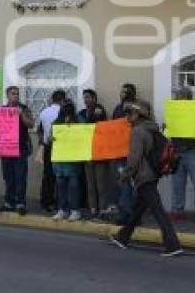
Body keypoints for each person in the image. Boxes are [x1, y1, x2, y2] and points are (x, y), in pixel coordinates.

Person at [110, 100, 182, 256]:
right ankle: (123, 237)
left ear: (138, 114)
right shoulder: (152, 129)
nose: (127, 115)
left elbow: (134, 159)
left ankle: (173, 245)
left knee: (158, 212)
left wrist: (124, 175)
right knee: (138, 209)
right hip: (152, 175)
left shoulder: (137, 131)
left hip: (144, 176)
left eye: (130, 113)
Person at [169, 87, 195, 226]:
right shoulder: (173, 111)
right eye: (178, 96)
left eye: (182, 96)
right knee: (178, 183)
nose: (180, 98)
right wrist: (166, 127)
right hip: (177, 151)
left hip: (193, 151)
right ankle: (178, 210)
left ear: (188, 98)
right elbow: (168, 129)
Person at [0, 86, 35, 215]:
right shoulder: (2, 110)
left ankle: (20, 203)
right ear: (7, 95)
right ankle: (9, 202)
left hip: (20, 148)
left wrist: (21, 114)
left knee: (20, 177)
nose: (16, 96)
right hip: (6, 149)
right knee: (8, 177)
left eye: (17, 94)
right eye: (13, 94)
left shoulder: (24, 108)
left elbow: (31, 124)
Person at [78, 89, 112, 218]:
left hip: (100, 153)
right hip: (87, 152)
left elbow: (103, 127)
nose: (85, 100)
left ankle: (102, 209)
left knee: (101, 184)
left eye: (87, 97)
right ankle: (93, 208)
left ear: (94, 98)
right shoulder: (81, 113)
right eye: (84, 98)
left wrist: (96, 115)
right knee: (90, 184)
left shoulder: (100, 110)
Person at [51, 98, 84, 221]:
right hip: (60, 162)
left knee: (74, 186)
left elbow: (84, 136)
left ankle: (75, 210)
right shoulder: (57, 121)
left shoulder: (79, 120)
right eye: (64, 107)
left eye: (69, 107)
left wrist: (72, 127)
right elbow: (51, 137)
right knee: (60, 186)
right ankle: (62, 210)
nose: (66, 109)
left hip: (73, 161)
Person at [109, 83, 138, 224]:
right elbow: (113, 127)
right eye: (121, 92)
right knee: (123, 182)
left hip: (133, 152)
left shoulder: (137, 108)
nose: (121, 94)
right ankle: (125, 212)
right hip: (119, 152)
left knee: (131, 183)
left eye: (124, 92)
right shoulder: (117, 109)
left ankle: (130, 213)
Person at [37, 90, 65, 213]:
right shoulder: (63, 112)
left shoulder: (44, 112)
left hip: (47, 146)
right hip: (62, 146)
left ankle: (46, 201)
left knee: (48, 175)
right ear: (62, 100)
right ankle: (59, 202)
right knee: (61, 175)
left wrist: (43, 142)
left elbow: (40, 130)